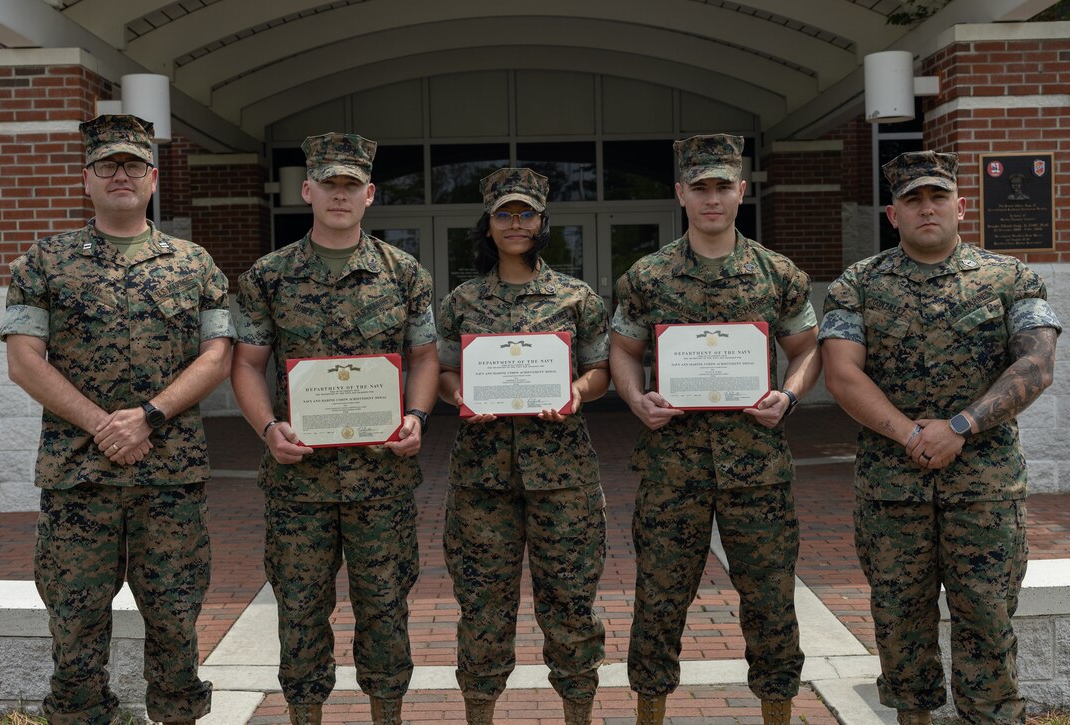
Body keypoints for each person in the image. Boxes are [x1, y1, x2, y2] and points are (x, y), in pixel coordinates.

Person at [0, 114, 233, 724]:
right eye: (108, 165)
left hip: (170, 479)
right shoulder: (43, 263)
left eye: (133, 165)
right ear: (87, 179)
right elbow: (25, 362)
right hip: (80, 480)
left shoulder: (194, 263)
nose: (120, 175)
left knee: (177, 626)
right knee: (75, 634)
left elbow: (218, 355)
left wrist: (149, 417)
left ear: (154, 179)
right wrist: (105, 424)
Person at [820, 151, 1060, 724]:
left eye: (937, 198)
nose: (926, 208)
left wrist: (961, 427)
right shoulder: (860, 282)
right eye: (912, 200)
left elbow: (1036, 365)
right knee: (901, 629)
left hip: (985, 491)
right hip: (891, 493)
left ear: (961, 206)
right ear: (892, 213)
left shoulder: (1011, 277)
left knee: (988, 623)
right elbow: (841, 373)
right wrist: (910, 434)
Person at [609, 134, 821, 725]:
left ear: (742, 191)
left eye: (722, 186)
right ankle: (650, 711)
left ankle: (777, 711)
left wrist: (790, 395)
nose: (711, 198)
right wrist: (635, 400)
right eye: (699, 187)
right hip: (671, 468)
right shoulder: (647, 277)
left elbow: (807, 350)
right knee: (659, 599)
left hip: (756, 467)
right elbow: (623, 352)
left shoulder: (777, 274)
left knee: (771, 599)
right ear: (680, 193)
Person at [231, 132, 439, 725]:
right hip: (300, 483)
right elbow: (245, 364)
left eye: (352, 185)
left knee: (385, 611)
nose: (340, 195)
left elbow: (425, 356)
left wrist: (417, 417)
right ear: (308, 191)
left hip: (382, 479)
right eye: (329, 184)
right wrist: (268, 428)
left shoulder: (403, 274)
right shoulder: (267, 277)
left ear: (370, 193)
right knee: (300, 615)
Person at [436, 168, 610, 725]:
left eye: (526, 214)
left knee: (571, 605)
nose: (516, 224)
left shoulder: (576, 297)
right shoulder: (461, 300)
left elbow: (600, 370)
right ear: (487, 226)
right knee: (482, 608)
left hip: (563, 476)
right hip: (482, 480)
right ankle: (480, 714)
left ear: (543, 222)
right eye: (504, 215)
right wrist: (460, 393)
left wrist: (576, 394)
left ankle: (578, 714)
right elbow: (441, 372)